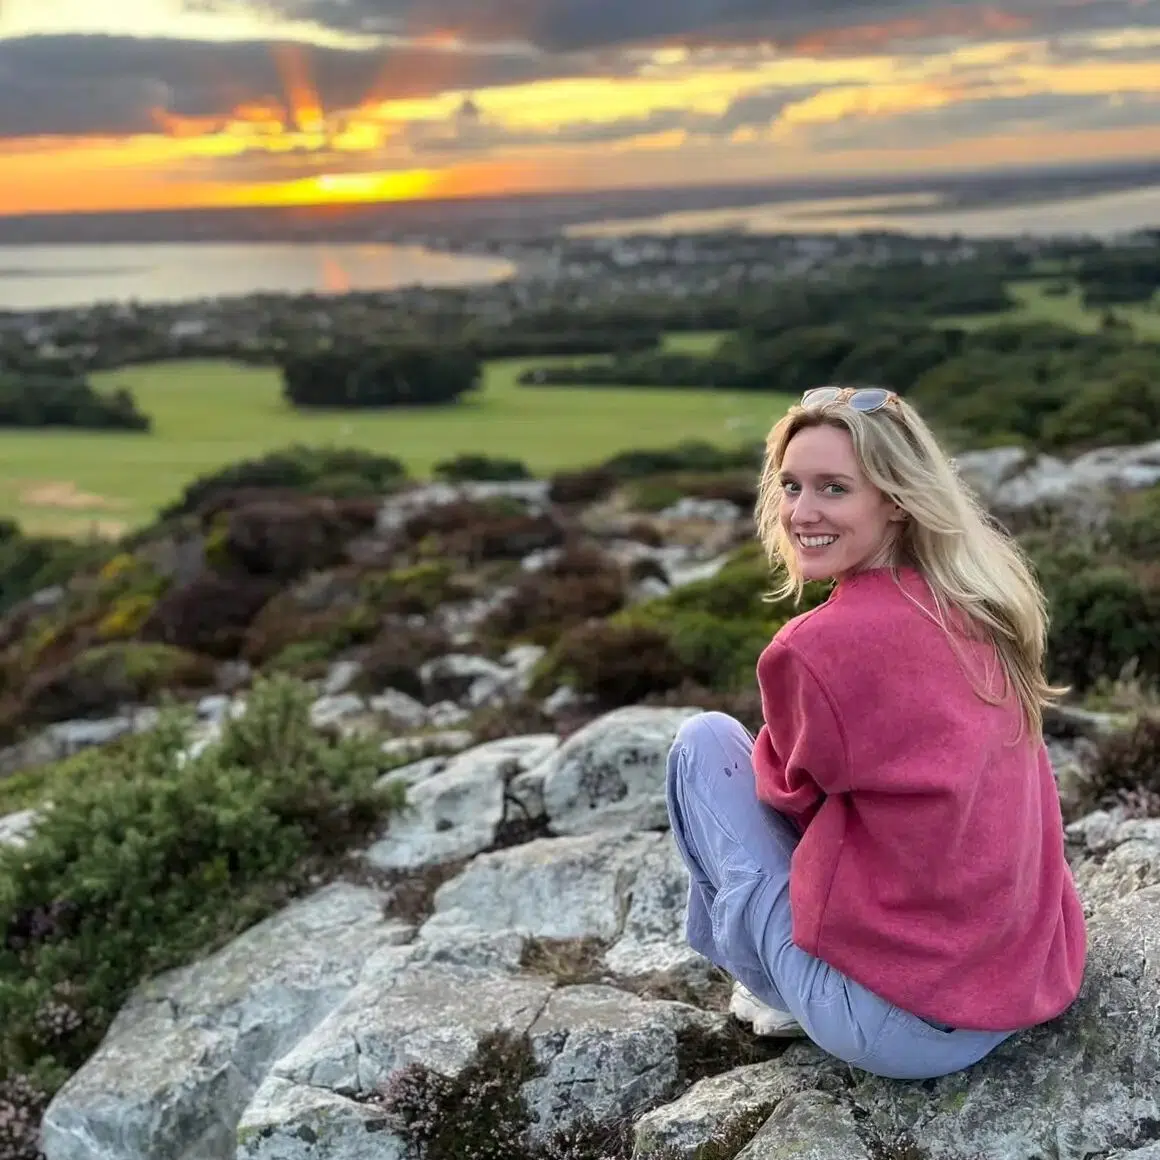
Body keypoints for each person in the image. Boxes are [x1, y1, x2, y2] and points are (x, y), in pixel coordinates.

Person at [665, 385, 1087, 1081]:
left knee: (703, 743)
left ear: (894, 499)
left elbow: (787, 802)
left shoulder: (815, 646)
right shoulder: (981, 606)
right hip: (1021, 989)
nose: (802, 512)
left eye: (834, 488)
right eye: (791, 486)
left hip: (894, 1026)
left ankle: (773, 989)